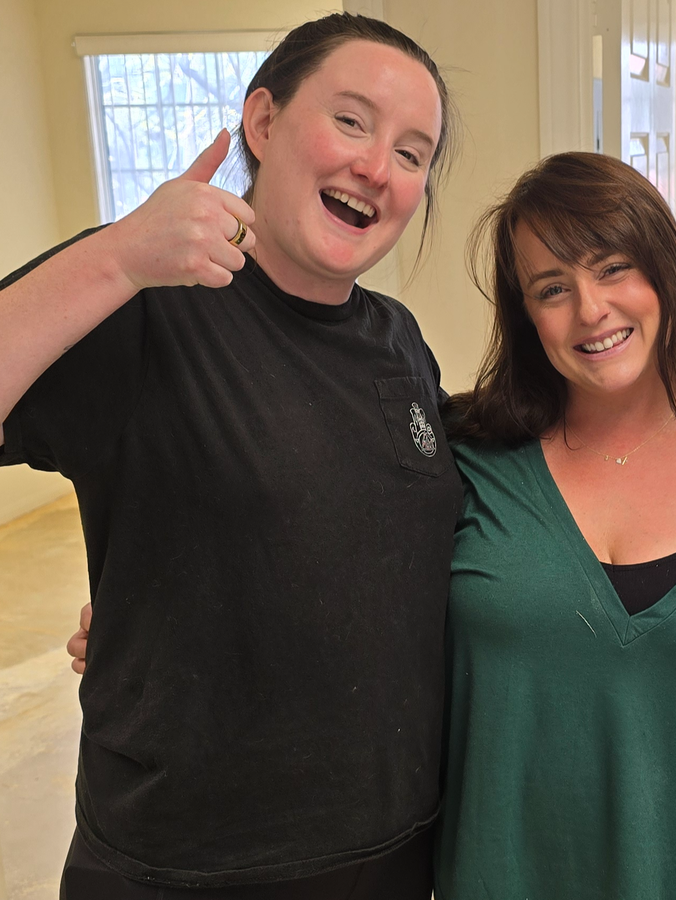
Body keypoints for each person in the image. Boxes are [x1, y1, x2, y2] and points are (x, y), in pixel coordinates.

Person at [1, 14, 461, 898]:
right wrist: (115, 257)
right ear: (263, 121)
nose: (378, 167)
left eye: (412, 153)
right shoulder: (149, 299)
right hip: (185, 866)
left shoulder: (397, 339)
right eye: (352, 121)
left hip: (390, 853)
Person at [432, 151, 676, 899]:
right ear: (526, 315)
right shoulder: (466, 456)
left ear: (664, 273)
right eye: (552, 288)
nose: (590, 310)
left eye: (614, 267)